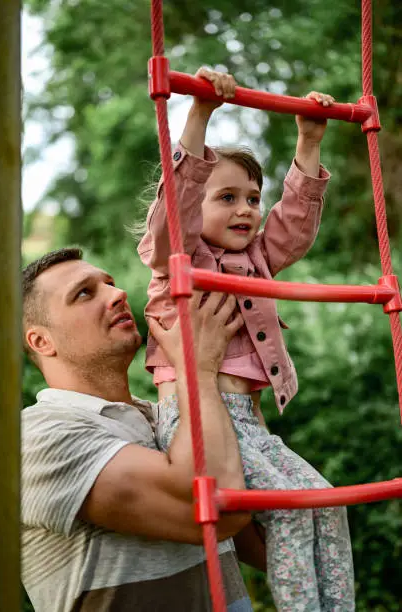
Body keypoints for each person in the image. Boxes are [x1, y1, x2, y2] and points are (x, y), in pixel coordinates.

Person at [138, 68, 355, 610]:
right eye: (227, 197)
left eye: (252, 199)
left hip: (248, 420)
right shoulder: (179, 261)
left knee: (327, 503)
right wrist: (200, 114)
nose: (245, 209)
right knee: (285, 507)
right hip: (195, 417)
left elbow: (295, 225)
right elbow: (175, 213)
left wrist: (309, 141)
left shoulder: (255, 259)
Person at [21, 247, 266, 612]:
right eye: (84, 293)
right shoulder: (35, 438)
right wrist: (198, 369)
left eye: (110, 283)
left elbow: (264, 540)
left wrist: (240, 375)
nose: (117, 294)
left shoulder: (165, 417)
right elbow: (215, 511)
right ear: (42, 341)